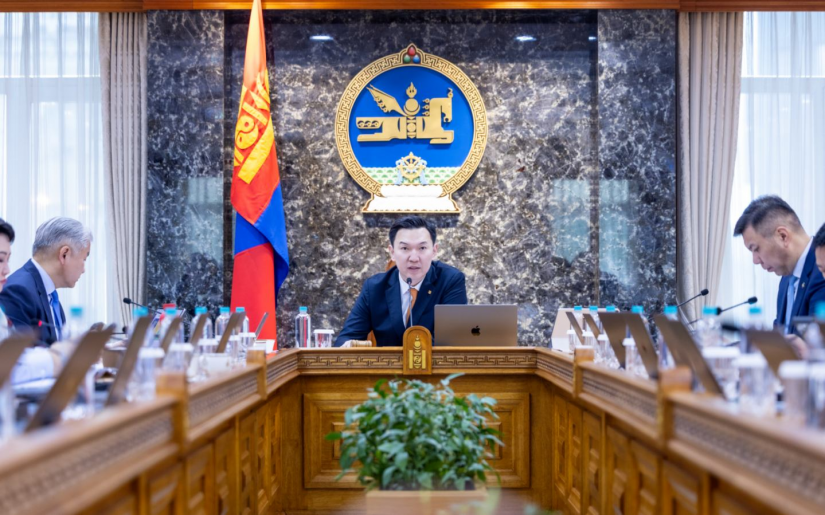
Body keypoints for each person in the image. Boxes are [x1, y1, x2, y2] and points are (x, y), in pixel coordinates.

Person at [336, 216, 467, 347]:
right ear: (392, 252)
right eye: (405, 248)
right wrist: (349, 345)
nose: (414, 258)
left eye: (422, 248)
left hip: (431, 361)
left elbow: (451, 340)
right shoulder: (374, 288)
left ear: (434, 251)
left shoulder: (450, 281)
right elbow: (347, 337)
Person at [734, 196, 825, 335]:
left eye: (756, 249)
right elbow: (781, 336)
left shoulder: (821, 273)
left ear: (782, 236)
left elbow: (816, 342)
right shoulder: (786, 278)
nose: (755, 260)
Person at [0, 217, 92, 345]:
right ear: (64, 254)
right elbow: (24, 353)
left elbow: (59, 347)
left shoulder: (50, 295)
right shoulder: (18, 290)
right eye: (84, 259)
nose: (84, 270)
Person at [0, 218, 66, 384]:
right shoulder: (19, 289)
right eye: (0, 260)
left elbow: (15, 357)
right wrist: (56, 357)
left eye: (8, 260)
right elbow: (7, 369)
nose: (7, 270)